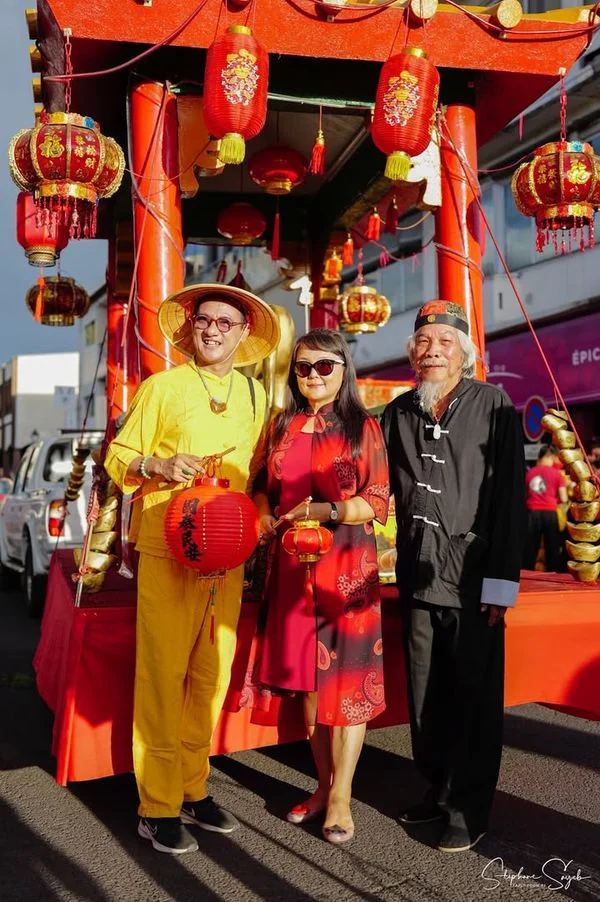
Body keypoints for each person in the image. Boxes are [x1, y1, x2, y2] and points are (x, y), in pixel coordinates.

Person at [105, 283, 279, 855]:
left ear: (243, 333)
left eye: (226, 323)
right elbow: (118, 455)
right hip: (168, 544)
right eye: (206, 320)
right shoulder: (162, 387)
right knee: (162, 673)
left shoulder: (257, 399)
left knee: (211, 674)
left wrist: (259, 523)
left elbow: (258, 480)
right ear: (191, 326)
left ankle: (193, 786)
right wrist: (156, 461)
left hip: (226, 557)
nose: (213, 330)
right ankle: (157, 804)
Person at [381, 300, 525, 854]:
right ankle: (437, 789)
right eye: (424, 342)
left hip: (473, 579)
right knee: (425, 694)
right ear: (413, 353)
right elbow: (372, 485)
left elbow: (510, 499)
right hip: (417, 573)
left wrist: (500, 586)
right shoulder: (398, 413)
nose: (433, 349)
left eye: (445, 341)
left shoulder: (494, 405)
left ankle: (469, 806)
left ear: (464, 353)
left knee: (472, 696)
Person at [254, 328, 389, 844]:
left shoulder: (362, 427)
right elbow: (261, 491)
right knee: (308, 686)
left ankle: (341, 797)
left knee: (348, 685)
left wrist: (325, 510)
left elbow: (375, 501)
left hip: (346, 570)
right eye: (304, 367)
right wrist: (266, 517)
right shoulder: (281, 426)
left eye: (324, 366)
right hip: (290, 572)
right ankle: (322, 783)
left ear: (343, 369)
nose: (313, 375)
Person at [523, 445, 568, 572]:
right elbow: (564, 498)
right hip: (550, 512)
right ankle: (553, 573)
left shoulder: (529, 473)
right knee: (552, 547)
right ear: (552, 457)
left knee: (530, 546)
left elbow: (524, 494)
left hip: (531, 512)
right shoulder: (557, 475)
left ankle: (526, 573)